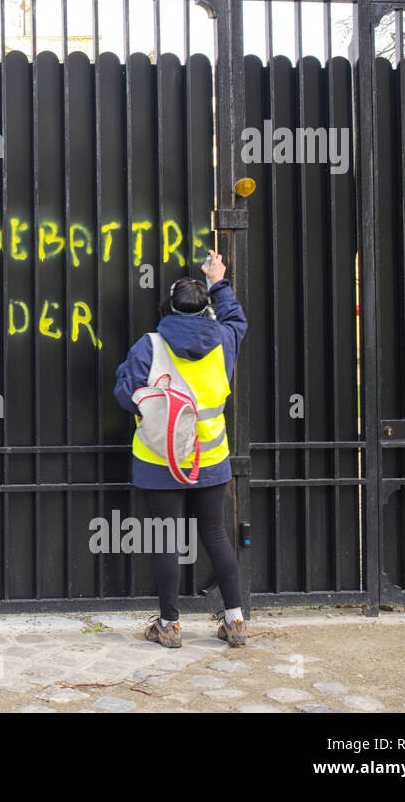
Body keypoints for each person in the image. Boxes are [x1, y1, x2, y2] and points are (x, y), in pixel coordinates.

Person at [112, 249, 248, 648]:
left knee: (166, 539)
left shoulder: (149, 346)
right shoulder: (224, 339)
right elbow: (236, 318)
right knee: (216, 536)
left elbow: (125, 393)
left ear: (167, 306)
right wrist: (219, 280)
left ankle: (169, 625)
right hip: (209, 458)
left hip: (160, 459)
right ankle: (236, 621)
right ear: (206, 307)